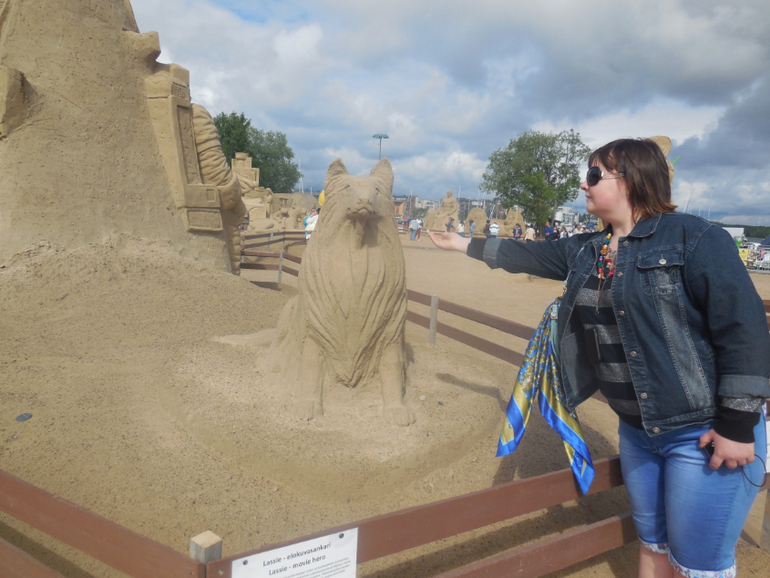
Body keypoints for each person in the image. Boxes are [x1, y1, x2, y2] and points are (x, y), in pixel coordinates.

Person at [428, 137, 770, 578]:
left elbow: (743, 328)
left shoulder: (696, 238)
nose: (584, 185)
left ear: (632, 180)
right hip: (638, 433)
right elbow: (526, 254)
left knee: (698, 566)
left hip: (701, 432)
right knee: (653, 547)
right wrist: (462, 244)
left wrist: (737, 424)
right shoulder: (587, 250)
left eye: (594, 175)